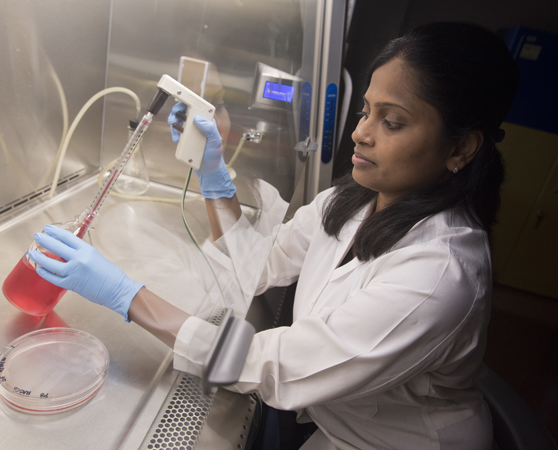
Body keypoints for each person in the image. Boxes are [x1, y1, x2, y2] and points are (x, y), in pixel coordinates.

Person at [28, 21, 519, 450]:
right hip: (338, 426)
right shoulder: (352, 200)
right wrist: (211, 172)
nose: (360, 133)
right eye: (366, 111)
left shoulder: (440, 275)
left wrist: (125, 295)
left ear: (461, 147)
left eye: (391, 122)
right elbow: (257, 265)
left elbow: (276, 369)